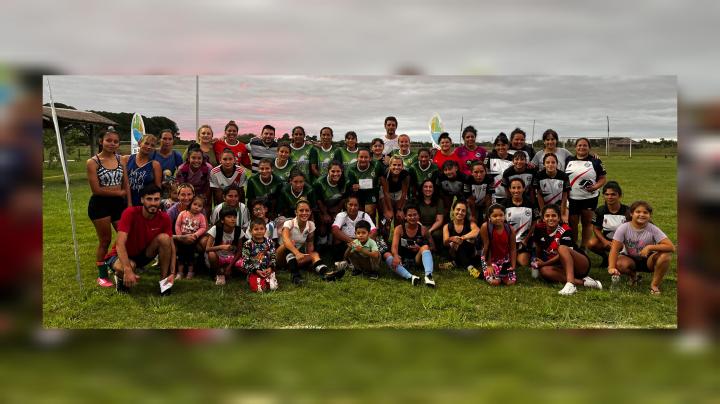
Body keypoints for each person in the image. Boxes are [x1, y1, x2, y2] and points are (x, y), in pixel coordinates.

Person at [104, 185, 176, 295]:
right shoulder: (130, 213)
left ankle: (164, 281)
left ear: (160, 200)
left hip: (143, 254)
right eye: (149, 199)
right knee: (129, 267)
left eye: (156, 199)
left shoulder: (164, 217)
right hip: (120, 254)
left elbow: (171, 246)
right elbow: (120, 244)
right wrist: (128, 269)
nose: (153, 203)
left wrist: (172, 272)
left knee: (165, 238)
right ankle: (120, 277)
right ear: (142, 200)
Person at [86, 127, 129, 287]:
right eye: (108, 140)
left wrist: (128, 202)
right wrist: (118, 194)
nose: (112, 144)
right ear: (101, 141)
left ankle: (115, 262)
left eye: (116, 141)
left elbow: (125, 183)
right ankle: (102, 275)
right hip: (100, 205)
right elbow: (96, 190)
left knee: (124, 237)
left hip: (119, 205)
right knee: (105, 240)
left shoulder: (121, 159)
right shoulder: (93, 162)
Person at [533, 204, 602, 295]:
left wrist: (544, 263)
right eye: (547, 216)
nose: (550, 218)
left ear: (559, 218)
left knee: (562, 248)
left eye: (554, 216)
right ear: (543, 218)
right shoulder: (538, 228)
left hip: (579, 263)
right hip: (561, 265)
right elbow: (538, 246)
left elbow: (563, 253)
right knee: (544, 271)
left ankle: (571, 284)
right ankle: (585, 283)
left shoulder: (565, 229)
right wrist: (538, 261)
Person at [608, 200, 675, 295]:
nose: (641, 215)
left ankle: (654, 285)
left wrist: (650, 247)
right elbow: (614, 249)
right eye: (638, 212)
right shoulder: (623, 228)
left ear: (649, 215)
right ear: (631, 214)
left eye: (645, 212)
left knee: (665, 256)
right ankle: (633, 276)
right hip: (629, 258)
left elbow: (671, 247)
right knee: (619, 264)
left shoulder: (652, 228)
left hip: (648, 260)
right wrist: (611, 267)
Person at [277, 199, 344, 285]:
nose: (304, 213)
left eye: (307, 210)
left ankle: (326, 274)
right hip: (280, 257)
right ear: (296, 212)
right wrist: (297, 253)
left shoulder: (311, 225)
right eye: (301, 210)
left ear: (310, 212)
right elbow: (285, 240)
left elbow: (310, 245)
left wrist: (310, 260)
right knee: (289, 243)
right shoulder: (289, 223)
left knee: (314, 254)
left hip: (293, 260)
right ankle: (295, 276)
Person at [566, 137, 607, 249]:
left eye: (585, 145)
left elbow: (603, 178)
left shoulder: (595, 161)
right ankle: (574, 245)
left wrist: (595, 187)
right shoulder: (568, 160)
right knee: (573, 224)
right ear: (575, 147)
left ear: (589, 148)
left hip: (589, 198)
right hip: (572, 198)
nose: (582, 147)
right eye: (579, 145)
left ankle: (584, 247)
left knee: (587, 223)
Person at [389, 204, 436, 287]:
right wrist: (396, 255)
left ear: (419, 216)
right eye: (409, 215)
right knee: (389, 257)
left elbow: (433, 247)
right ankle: (409, 276)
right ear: (405, 217)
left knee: (425, 247)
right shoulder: (399, 229)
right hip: (402, 260)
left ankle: (428, 276)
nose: (413, 217)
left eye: (415, 215)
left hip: (416, 259)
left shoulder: (423, 229)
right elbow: (394, 247)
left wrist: (419, 248)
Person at [588, 181, 628, 267]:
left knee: (621, 264)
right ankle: (606, 258)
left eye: (613, 194)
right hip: (608, 241)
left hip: (624, 243)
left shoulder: (628, 211)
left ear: (619, 196)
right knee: (591, 243)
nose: (610, 197)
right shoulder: (600, 210)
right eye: (607, 194)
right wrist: (604, 241)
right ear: (603, 196)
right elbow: (596, 228)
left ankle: (623, 259)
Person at [502, 178, 537, 267]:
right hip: (508, 241)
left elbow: (534, 223)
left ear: (524, 188)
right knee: (504, 261)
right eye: (513, 188)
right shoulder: (503, 205)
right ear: (509, 189)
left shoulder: (531, 204)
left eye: (519, 187)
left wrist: (525, 240)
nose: (516, 190)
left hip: (524, 241)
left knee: (523, 263)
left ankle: (523, 254)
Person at [479, 204, 517, 285]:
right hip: (489, 257)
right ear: (489, 217)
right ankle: (483, 273)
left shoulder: (510, 229)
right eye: (494, 216)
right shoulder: (485, 227)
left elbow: (513, 249)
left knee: (510, 282)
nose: (498, 218)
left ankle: (499, 273)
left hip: (504, 258)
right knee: (495, 282)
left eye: (501, 215)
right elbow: (486, 246)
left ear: (505, 216)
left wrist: (513, 266)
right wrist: (489, 265)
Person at [206, 206, 245, 286]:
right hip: (218, 257)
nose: (233, 219)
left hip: (231, 258)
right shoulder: (215, 229)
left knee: (245, 268)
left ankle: (227, 270)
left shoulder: (238, 230)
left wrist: (230, 266)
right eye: (229, 217)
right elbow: (207, 248)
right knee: (211, 254)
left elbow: (239, 251)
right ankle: (218, 273)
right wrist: (222, 247)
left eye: (234, 217)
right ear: (222, 220)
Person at [331, 196, 377, 263]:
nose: (353, 207)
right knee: (336, 238)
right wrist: (353, 243)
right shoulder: (341, 215)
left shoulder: (364, 215)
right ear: (346, 205)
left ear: (359, 206)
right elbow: (335, 230)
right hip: (347, 241)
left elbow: (374, 231)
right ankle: (341, 259)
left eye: (356, 205)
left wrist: (363, 242)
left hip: (362, 241)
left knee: (373, 239)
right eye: (350, 205)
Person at [312, 161, 348, 245]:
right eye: (333, 171)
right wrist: (325, 214)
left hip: (337, 207)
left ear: (342, 171)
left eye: (338, 171)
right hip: (322, 208)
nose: (335, 174)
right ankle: (322, 243)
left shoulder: (346, 181)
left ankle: (332, 243)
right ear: (328, 171)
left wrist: (337, 210)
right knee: (323, 226)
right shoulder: (319, 183)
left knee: (336, 223)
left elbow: (345, 198)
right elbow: (318, 201)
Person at [442, 200, 481, 277]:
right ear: (453, 210)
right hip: (453, 252)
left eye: (463, 211)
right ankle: (469, 267)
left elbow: (477, 231)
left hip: (469, 252)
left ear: (466, 213)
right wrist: (452, 239)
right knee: (457, 244)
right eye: (458, 209)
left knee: (462, 244)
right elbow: (445, 242)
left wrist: (462, 238)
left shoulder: (470, 223)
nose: (460, 212)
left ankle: (456, 263)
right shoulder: (447, 226)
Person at [174, 195, 208, 280]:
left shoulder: (201, 216)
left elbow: (203, 227)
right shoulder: (183, 213)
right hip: (182, 239)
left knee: (191, 256)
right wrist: (180, 236)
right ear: (190, 204)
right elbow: (177, 225)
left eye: (200, 206)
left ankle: (190, 272)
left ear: (202, 208)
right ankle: (180, 272)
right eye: (195, 204)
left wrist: (195, 235)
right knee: (181, 256)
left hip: (193, 240)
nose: (197, 207)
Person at [125, 134, 162, 206]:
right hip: (127, 201)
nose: (149, 147)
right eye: (146, 143)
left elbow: (158, 187)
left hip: (146, 204)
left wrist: (157, 204)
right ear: (139, 143)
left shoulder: (155, 165)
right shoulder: (126, 159)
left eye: (152, 145)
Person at [242, 218, 278, 293]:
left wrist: (271, 268)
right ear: (250, 231)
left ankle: (269, 278)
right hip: (255, 271)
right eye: (256, 229)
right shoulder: (247, 244)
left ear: (265, 230)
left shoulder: (270, 242)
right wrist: (255, 270)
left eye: (261, 229)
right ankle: (253, 279)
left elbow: (273, 256)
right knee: (260, 290)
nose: (259, 231)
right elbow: (245, 261)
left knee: (273, 287)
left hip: (268, 270)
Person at [533, 153, 570, 222]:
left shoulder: (564, 176)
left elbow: (565, 197)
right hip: (545, 206)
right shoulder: (538, 176)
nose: (550, 164)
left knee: (564, 222)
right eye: (547, 162)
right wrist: (543, 211)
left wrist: (562, 214)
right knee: (542, 224)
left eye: (553, 162)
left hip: (560, 206)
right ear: (544, 164)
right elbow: (539, 195)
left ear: (557, 164)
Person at [346, 148, 382, 217]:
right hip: (357, 193)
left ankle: (372, 226)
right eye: (361, 157)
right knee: (359, 214)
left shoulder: (376, 165)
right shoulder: (350, 169)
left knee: (370, 212)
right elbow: (348, 187)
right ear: (357, 158)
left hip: (371, 191)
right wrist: (353, 187)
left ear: (370, 158)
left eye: (366, 157)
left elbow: (383, 179)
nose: (363, 159)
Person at [381, 156, 411, 225]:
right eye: (394, 165)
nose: (396, 167)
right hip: (386, 193)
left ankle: (398, 233)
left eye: (399, 165)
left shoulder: (405, 174)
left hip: (399, 192)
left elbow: (404, 193)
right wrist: (390, 210)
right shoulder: (385, 173)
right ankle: (384, 232)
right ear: (390, 165)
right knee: (388, 217)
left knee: (399, 217)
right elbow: (386, 192)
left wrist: (399, 209)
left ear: (402, 166)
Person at [417, 179, 445, 252]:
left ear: (434, 189)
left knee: (437, 234)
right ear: (422, 188)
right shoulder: (416, 200)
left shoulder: (439, 201)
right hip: (419, 225)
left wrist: (429, 231)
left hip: (433, 227)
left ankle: (436, 250)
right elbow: (414, 218)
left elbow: (439, 220)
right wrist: (422, 228)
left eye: (430, 187)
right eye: (425, 187)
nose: (428, 189)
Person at [485, 132, 513, 205]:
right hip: (494, 196)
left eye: (503, 145)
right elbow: (485, 173)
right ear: (495, 146)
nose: (501, 147)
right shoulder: (489, 156)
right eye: (498, 145)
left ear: (508, 146)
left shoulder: (513, 158)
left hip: (509, 195)